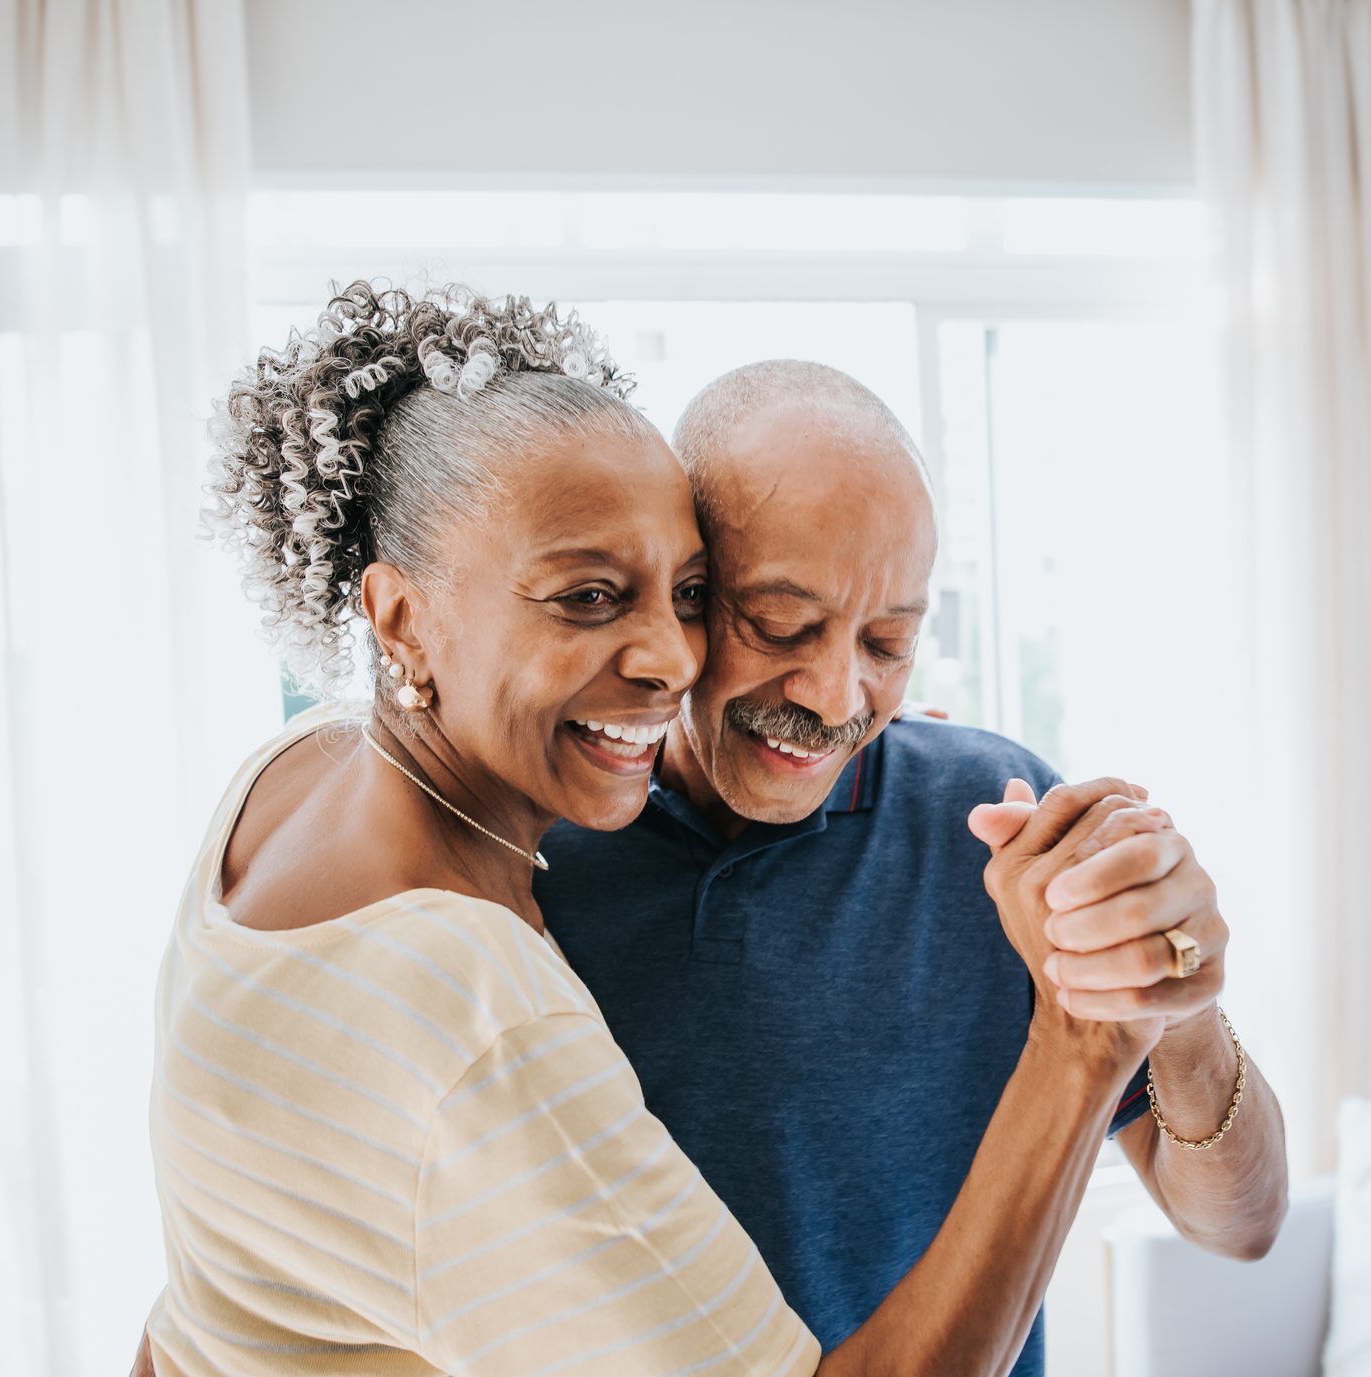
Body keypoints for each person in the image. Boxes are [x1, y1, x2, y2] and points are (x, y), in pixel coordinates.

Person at [137, 283, 1191, 1377]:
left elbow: (197, 1317)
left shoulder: (283, 781)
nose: (669, 659)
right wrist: (1082, 1043)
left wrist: (1179, 1005)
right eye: (588, 597)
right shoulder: (477, 1003)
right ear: (400, 616)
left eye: (687, 594)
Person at [537, 360, 1290, 1376]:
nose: (836, 692)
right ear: (682, 589)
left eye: (888, 642)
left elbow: (1241, 1227)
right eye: (782, 625)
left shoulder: (1000, 819)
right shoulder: (533, 855)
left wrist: (1179, 1008)